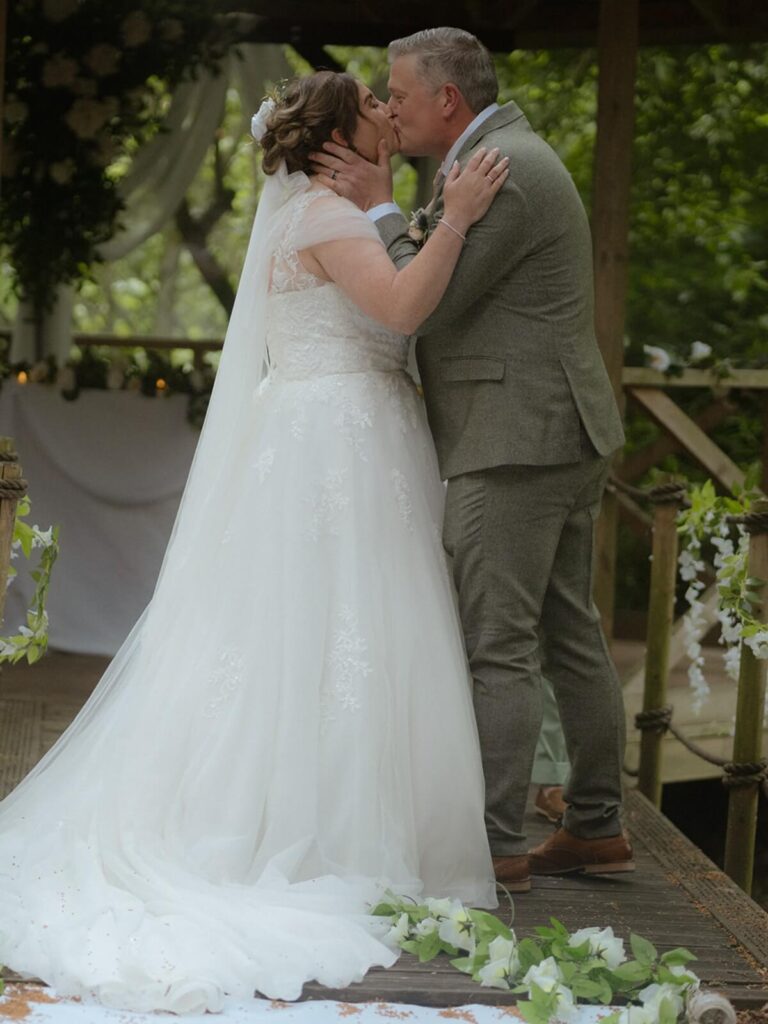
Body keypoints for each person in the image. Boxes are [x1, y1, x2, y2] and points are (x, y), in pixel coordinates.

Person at [0, 72, 509, 1014]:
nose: (388, 111)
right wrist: (457, 218)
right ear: (337, 137)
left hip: (354, 439)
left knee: (350, 635)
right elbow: (399, 312)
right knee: (333, 627)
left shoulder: (329, 211)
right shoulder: (325, 218)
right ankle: (312, 827)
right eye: (373, 104)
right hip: (336, 451)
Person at [312, 28, 633, 891]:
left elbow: (430, 300)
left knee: (499, 644)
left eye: (399, 92)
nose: (391, 105)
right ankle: (597, 826)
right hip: (549, 431)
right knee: (568, 631)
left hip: (516, 438)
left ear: (445, 99)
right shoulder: (496, 155)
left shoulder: (503, 170)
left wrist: (383, 208)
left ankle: (496, 845)